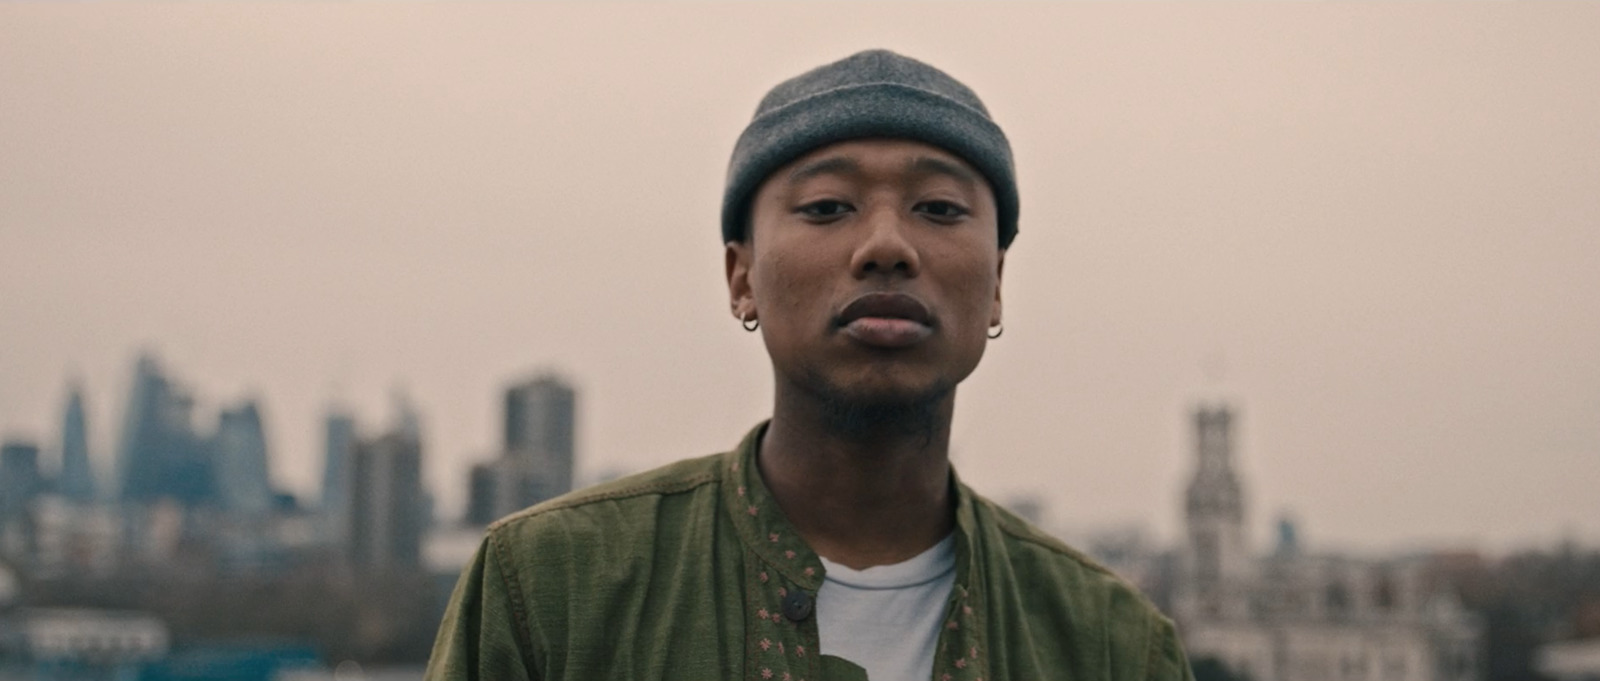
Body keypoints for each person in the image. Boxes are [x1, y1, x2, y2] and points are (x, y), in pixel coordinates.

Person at [425, 49, 1193, 681]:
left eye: (940, 209)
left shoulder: (1112, 644)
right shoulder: (551, 588)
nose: (886, 245)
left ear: (995, 284)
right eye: (827, 206)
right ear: (741, 276)